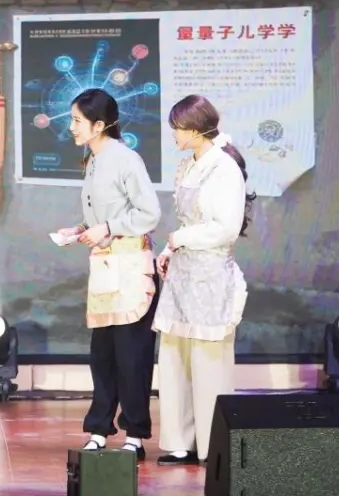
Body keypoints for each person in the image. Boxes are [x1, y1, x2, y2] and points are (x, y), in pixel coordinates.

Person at [56, 88, 161, 460]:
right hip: (105, 270)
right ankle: (99, 428)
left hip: (131, 269)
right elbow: (103, 216)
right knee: (102, 356)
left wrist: (108, 227)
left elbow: (149, 213)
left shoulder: (125, 159)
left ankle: (135, 434)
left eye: (77, 121)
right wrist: (81, 229)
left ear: (99, 125)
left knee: (132, 357)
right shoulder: (93, 159)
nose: (71, 127)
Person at [153, 94, 251, 466]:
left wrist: (181, 238)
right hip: (183, 274)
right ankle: (180, 441)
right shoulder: (188, 165)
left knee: (209, 363)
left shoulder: (223, 168)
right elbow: (185, 222)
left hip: (210, 275)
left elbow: (225, 228)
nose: (174, 135)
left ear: (195, 130)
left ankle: (214, 446)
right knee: (175, 358)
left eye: (177, 129)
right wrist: (169, 250)